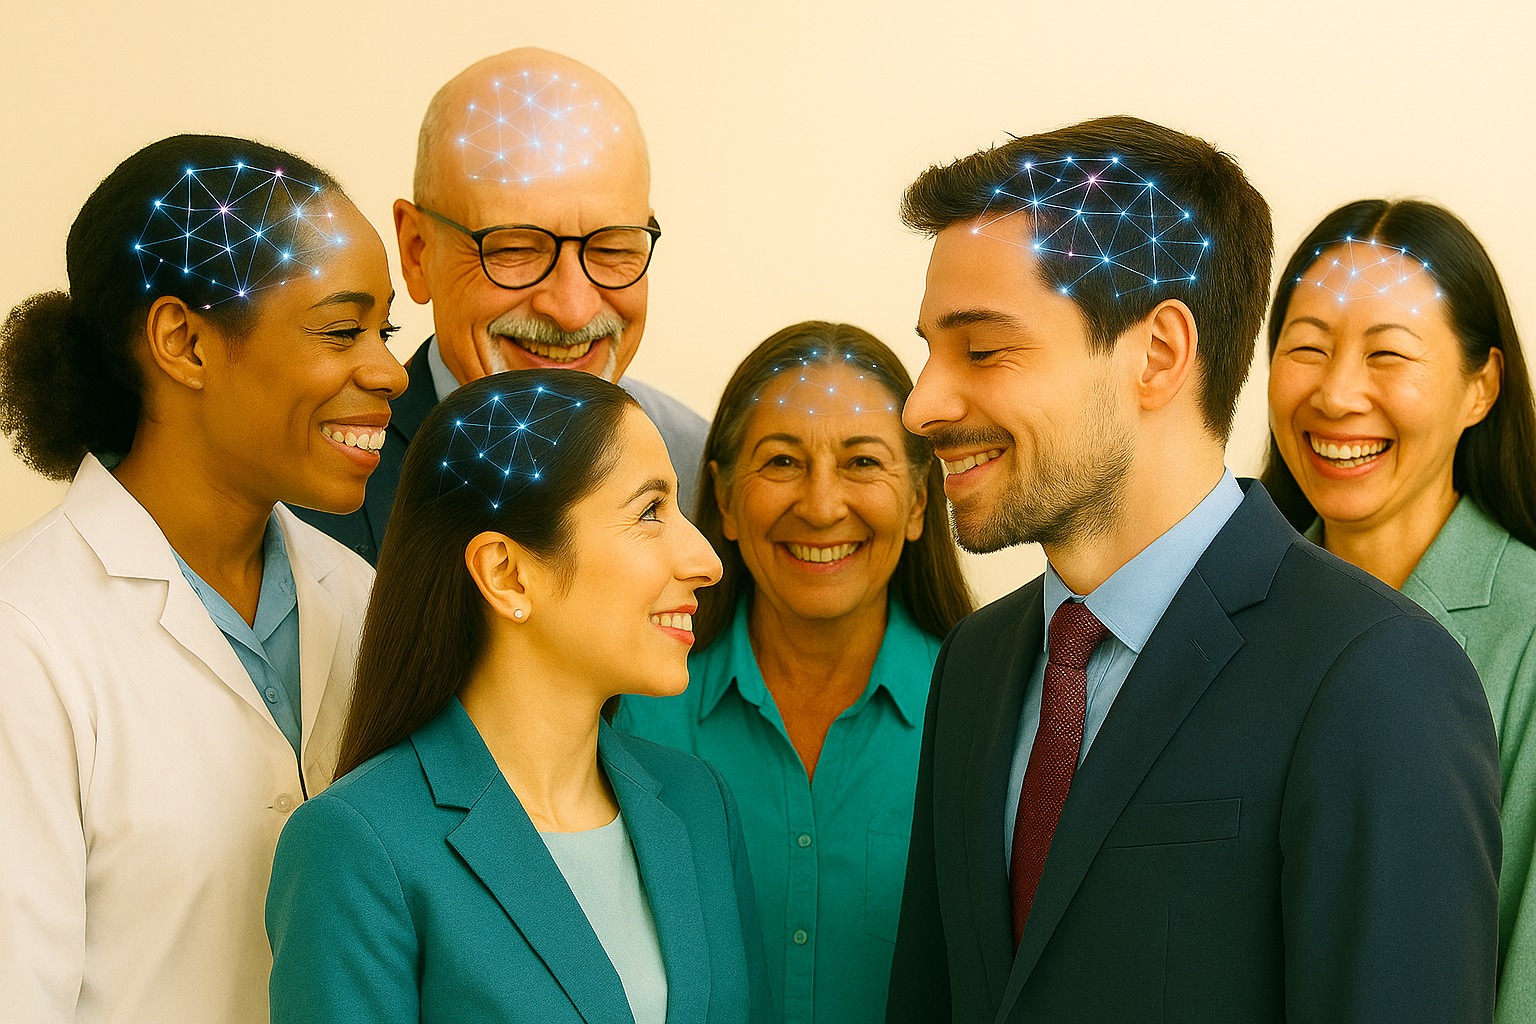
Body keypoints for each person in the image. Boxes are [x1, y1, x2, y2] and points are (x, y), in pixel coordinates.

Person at [886, 115, 1501, 1022]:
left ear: (1159, 354)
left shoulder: (1376, 676)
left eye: (982, 349)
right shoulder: (976, 664)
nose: (922, 404)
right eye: (931, 351)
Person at [0, 134, 406, 1023]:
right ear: (183, 341)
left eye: (385, 330)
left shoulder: (360, 596)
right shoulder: (24, 636)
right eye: (342, 330)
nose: (388, 371)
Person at [266, 369, 771, 1024]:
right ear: (506, 573)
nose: (706, 560)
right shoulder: (356, 846)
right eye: (650, 511)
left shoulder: (699, 804)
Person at [619, 321, 973, 1024]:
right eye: (781, 462)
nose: (819, 505)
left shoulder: (985, 710)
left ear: (918, 504)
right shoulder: (628, 708)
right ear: (722, 499)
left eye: (863, 463)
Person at [1262, 198, 1536, 1022]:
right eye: (1307, 348)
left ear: (1481, 386)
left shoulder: (1526, 629)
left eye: (1389, 354)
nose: (1339, 394)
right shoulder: (1222, 615)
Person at [294, 47, 707, 563]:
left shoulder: (701, 471)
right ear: (417, 252)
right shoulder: (307, 498)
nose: (572, 310)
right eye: (513, 249)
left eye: (613, 248)